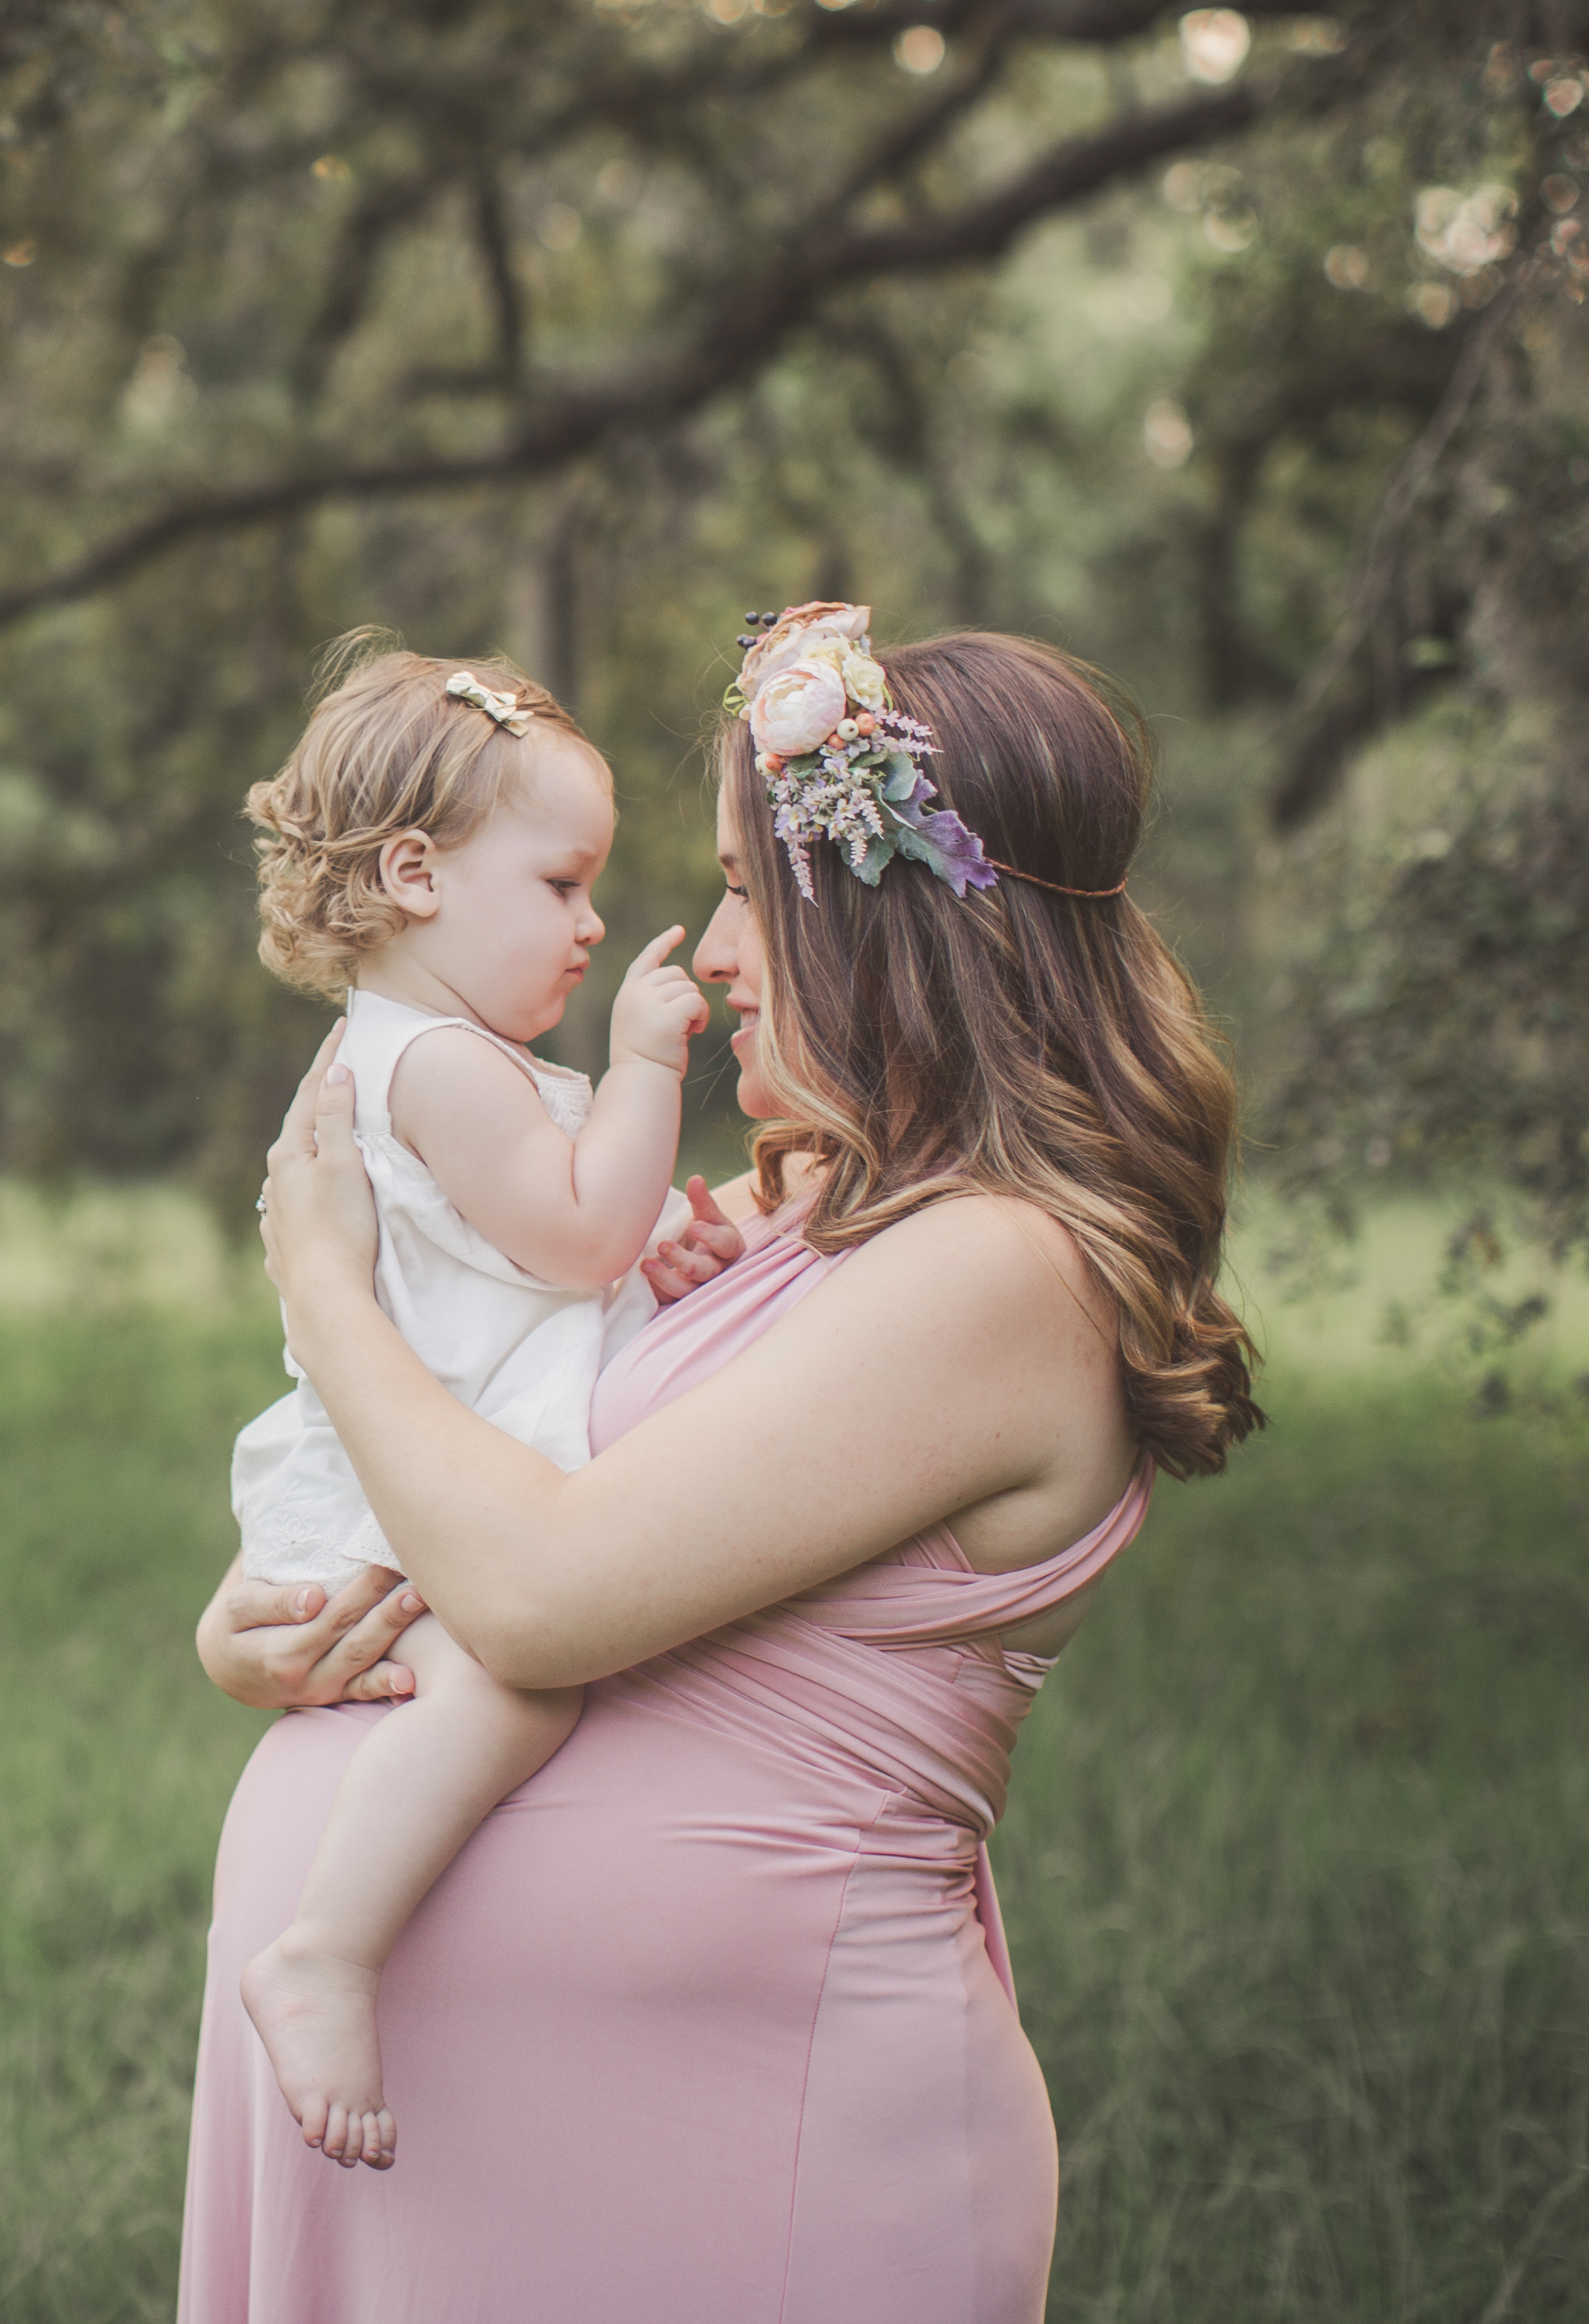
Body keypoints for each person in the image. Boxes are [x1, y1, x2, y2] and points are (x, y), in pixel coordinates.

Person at [180, 611, 1261, 2323]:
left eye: (751, 890)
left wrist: (322, 1278)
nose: (713, 950)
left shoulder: (999, 1272)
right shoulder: (808, 1210)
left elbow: (538, 1593)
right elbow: (497, 1456)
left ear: (880, 915)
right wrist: (287, 1634)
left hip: (732, 2153)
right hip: (481, 2146)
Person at [222, 645, 715, 2168]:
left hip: (422, 1466)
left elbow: (563, 1261)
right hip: (407, 1502)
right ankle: (329, 1949)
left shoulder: (428, 1056)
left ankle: (334, 1943)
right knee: (519, 1686)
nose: (595, 922)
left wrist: (661, 1236)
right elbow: (577, 1236)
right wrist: (641, 1070)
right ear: (419, 873)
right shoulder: (440, 1065)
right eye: (563, 886)